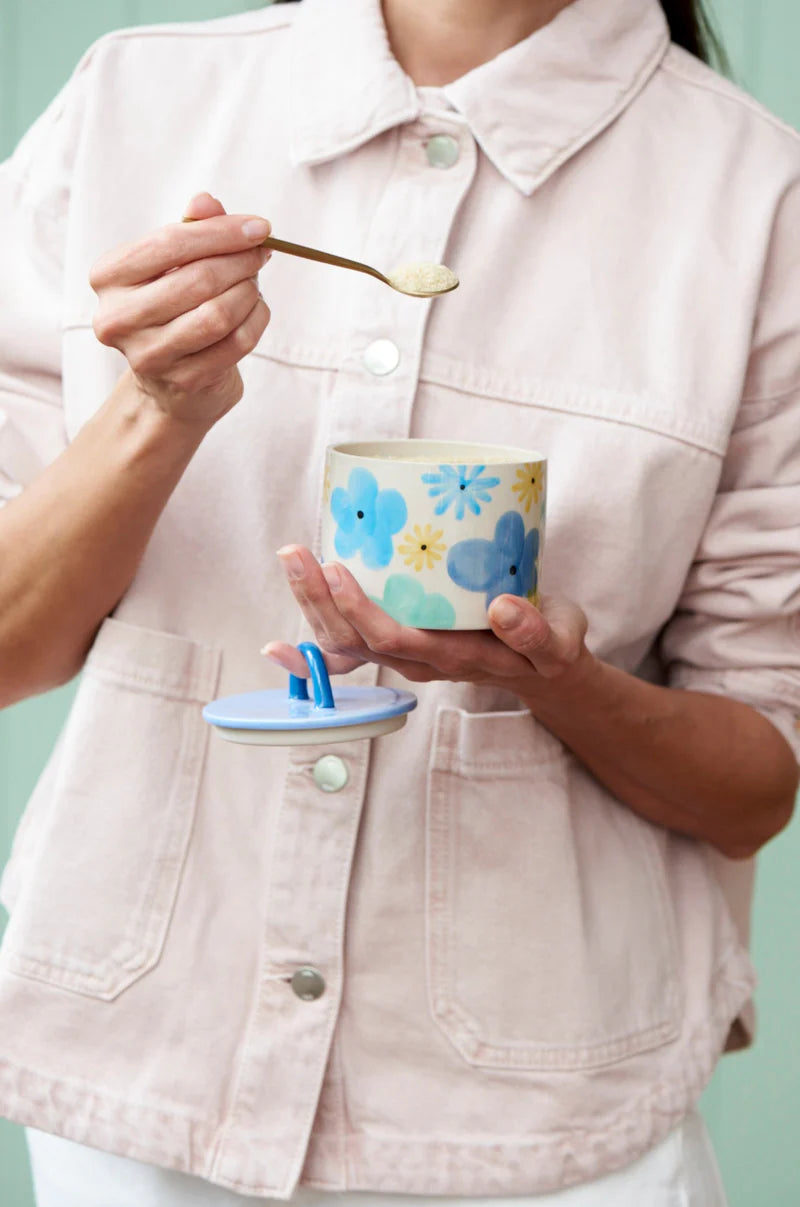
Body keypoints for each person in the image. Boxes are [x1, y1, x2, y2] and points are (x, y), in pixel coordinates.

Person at [0, 0, 798, 1203]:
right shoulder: (132, 104)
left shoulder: (751, 193)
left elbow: (753, 783)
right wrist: (154, 407)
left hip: (546, 1117)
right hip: (140, 1083)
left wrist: (563, 687)